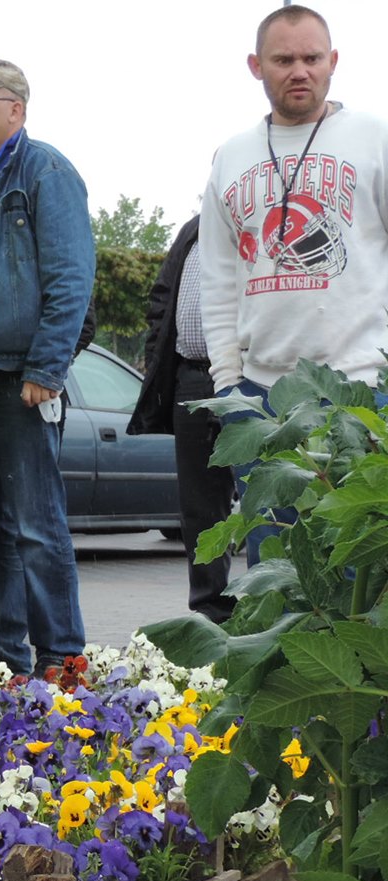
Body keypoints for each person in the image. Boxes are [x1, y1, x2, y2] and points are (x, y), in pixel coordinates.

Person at [199, 5, 388, 569]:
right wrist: (229, 386)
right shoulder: (231, 157)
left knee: (360, 567)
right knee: (276, 566)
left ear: (334, 61)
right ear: (256, 66)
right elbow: (218, 278)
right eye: (283, 60)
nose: (299, 70)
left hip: (360, 389)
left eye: (312, 57)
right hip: (261, 398)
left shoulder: (373, 138)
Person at [0, 57, 93, 677]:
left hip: (19, 375)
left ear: (16, 109)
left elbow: (71, 278)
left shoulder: (45, 170)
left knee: (36, 522)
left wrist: (47, 369)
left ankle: (62, 655)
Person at [126, 217, 237, 622]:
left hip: (246, 377)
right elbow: (162, 297)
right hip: (191, 377)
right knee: (199, 506)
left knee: (265, 497)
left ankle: (275, 612)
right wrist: (159, 356)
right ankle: (211, 612)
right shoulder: (194, 229)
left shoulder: (259, 218)